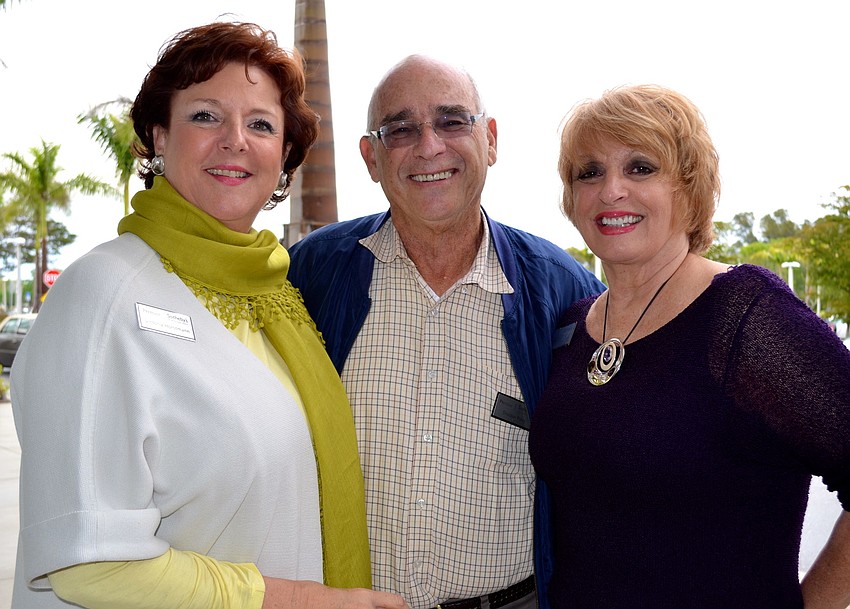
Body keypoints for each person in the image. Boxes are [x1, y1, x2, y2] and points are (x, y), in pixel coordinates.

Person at [10, 21, 407, 609]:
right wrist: (310, 600)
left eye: (261, 124)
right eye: (205, 116)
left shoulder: (277, 296)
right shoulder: (104, 295)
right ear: (158, 135)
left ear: (284, 157)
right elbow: (90, 564)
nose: (235, 140)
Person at [287, 55, 604, 609]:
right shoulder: (312, 275)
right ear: (371, 157)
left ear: (491, 140)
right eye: (401, 129)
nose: (429, 145)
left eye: (453, 121)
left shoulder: (564, 293)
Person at [528, 84, 850, 608]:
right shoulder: (572, 329)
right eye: (589, 172)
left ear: (688, 185)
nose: (611, 191)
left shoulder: (744, 315)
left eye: (640, 167)